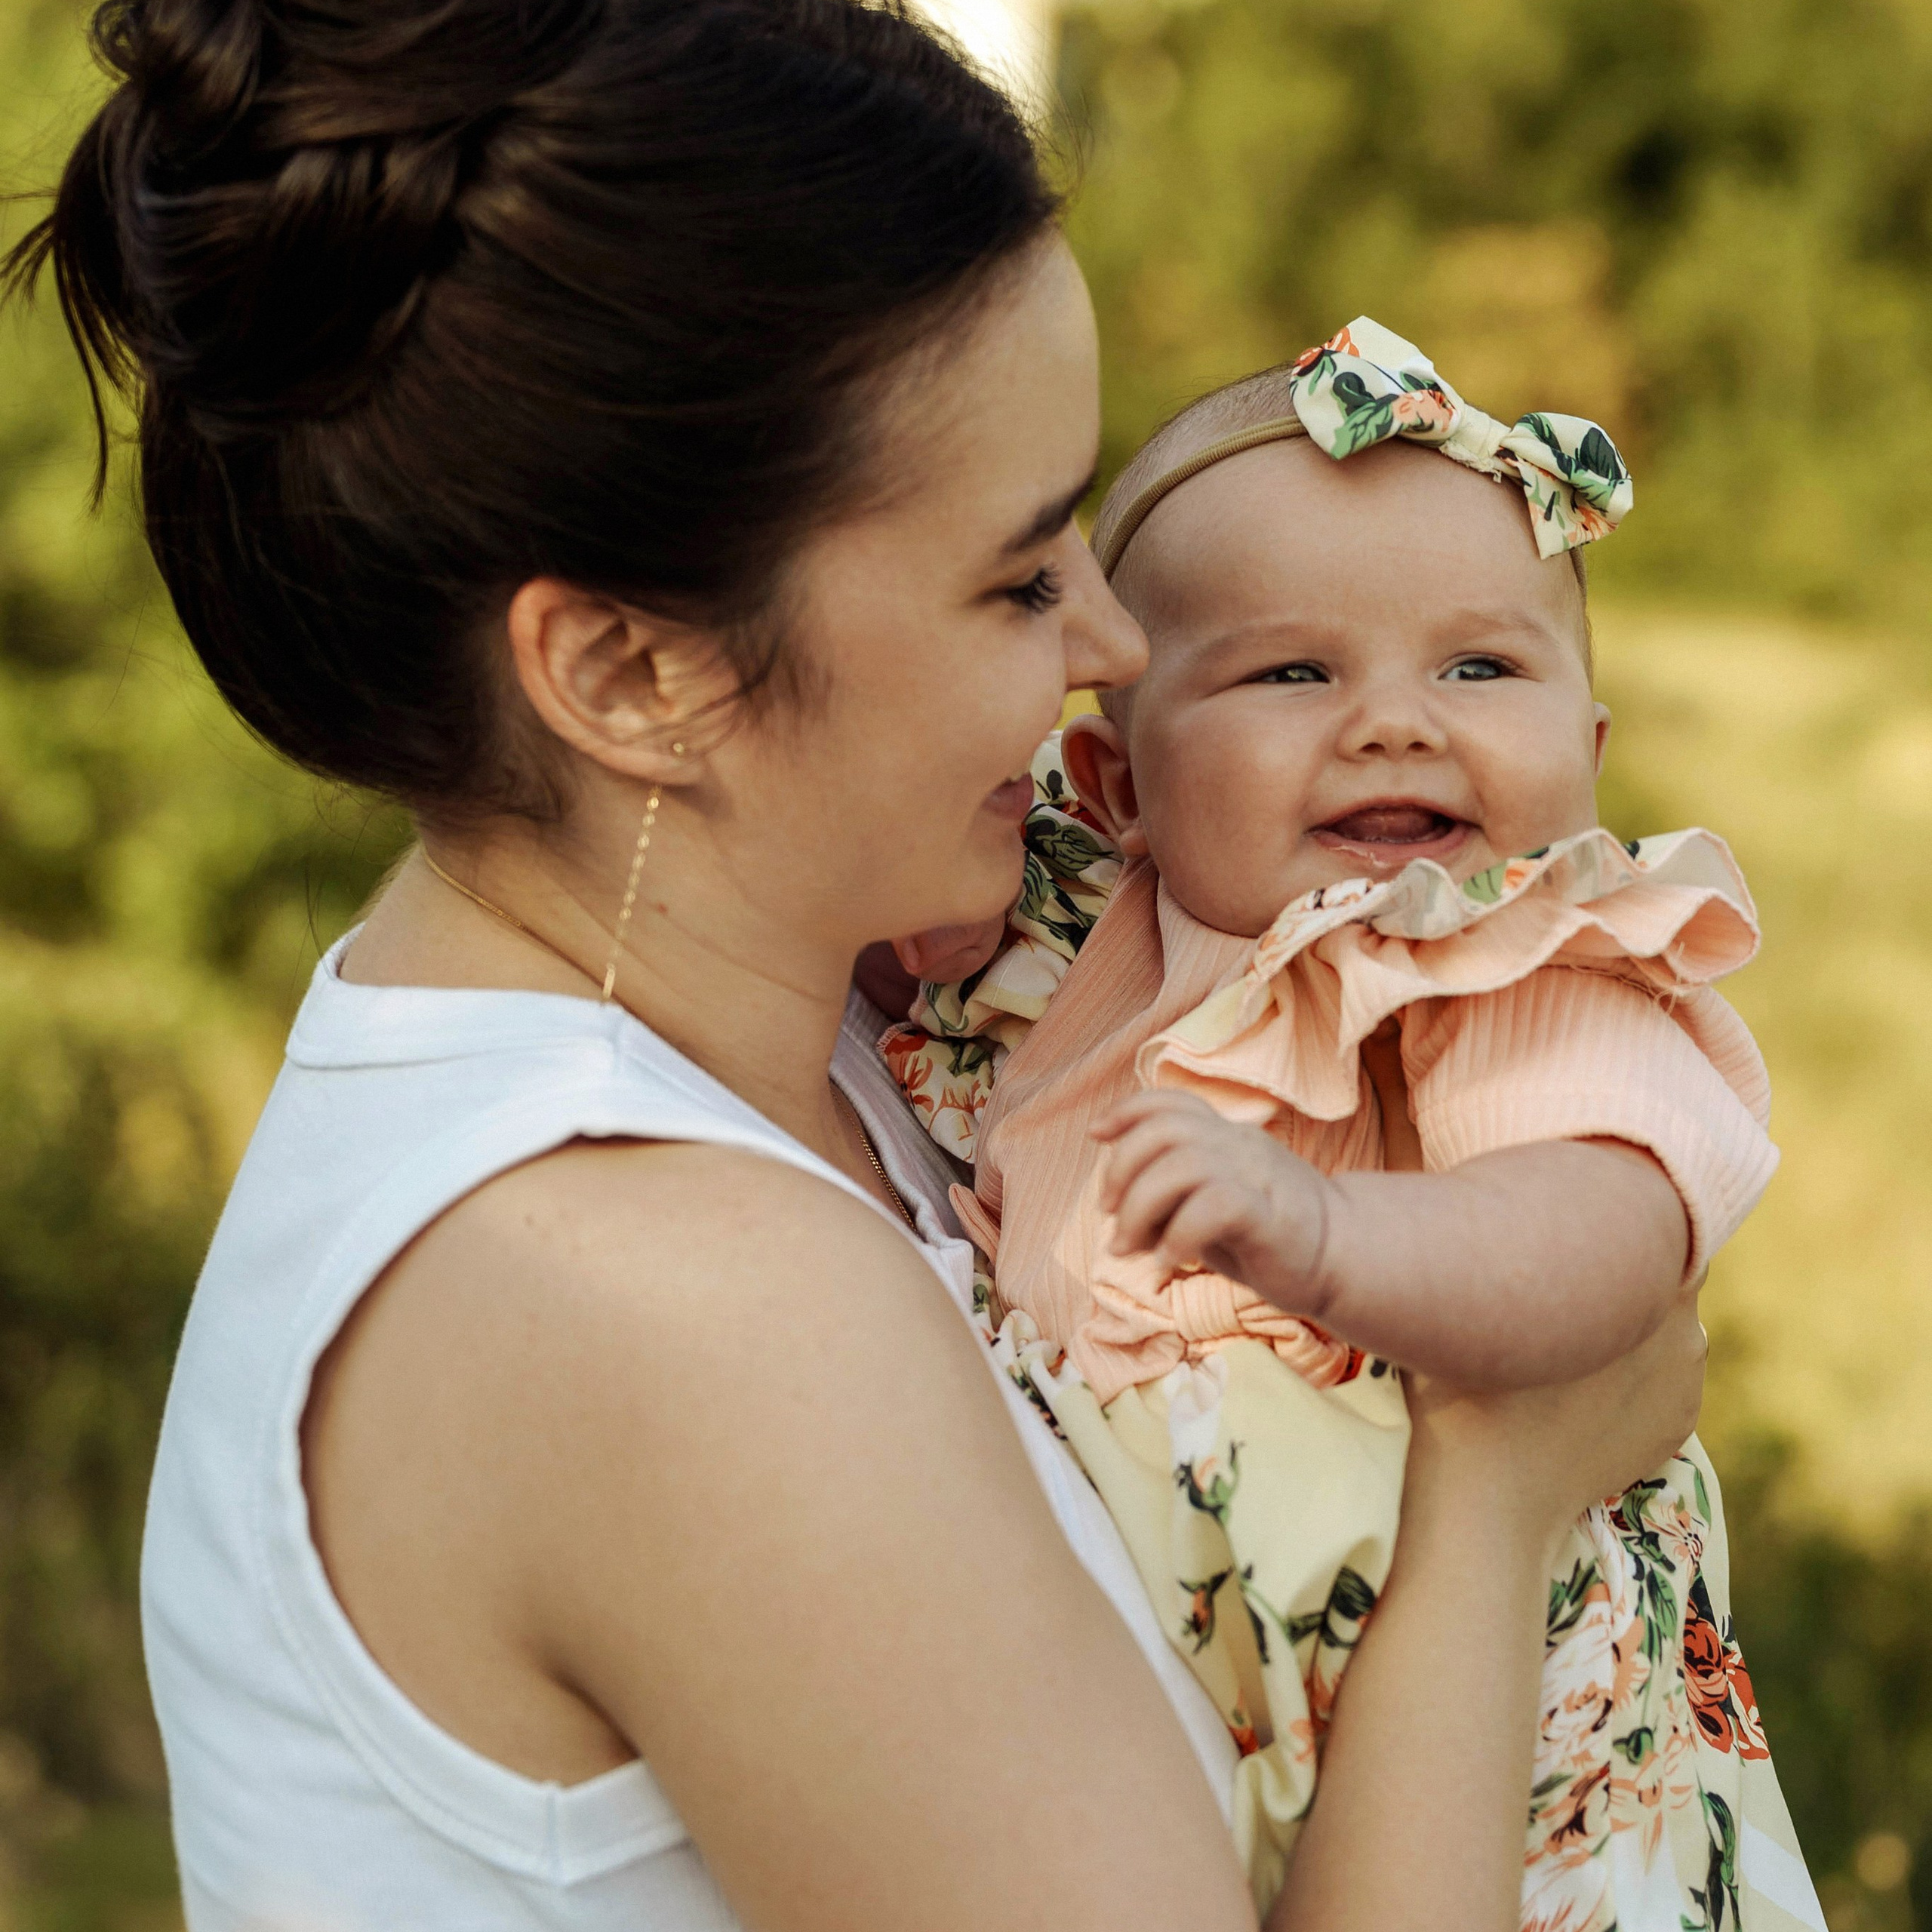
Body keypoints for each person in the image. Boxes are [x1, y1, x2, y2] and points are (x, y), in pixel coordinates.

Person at [8, 11, 1706, 1930]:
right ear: (630, 675)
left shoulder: (815, 1031)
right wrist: (1498, 1488)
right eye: (1011, 576)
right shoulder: (669, 1300)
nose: (1110, 640)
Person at [883, 320, 1826, 1930]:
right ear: (1113, 783)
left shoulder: (1505, 955)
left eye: (1477, 665)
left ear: (1585, 757)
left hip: (1522, 1756)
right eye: (1290, 669)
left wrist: (1326, 1234)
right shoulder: (1110, 923)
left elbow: (1605, 1238)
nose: (1394, 719)